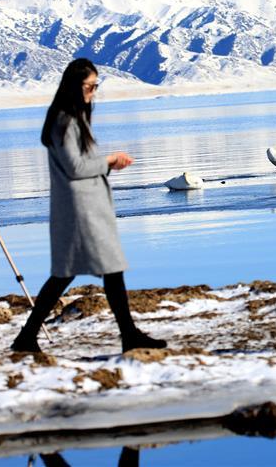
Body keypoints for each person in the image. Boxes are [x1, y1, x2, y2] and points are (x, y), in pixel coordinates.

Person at [11, 58, 166, 353]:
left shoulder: (68, 119)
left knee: (73, 272)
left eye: (96, 87)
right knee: (103, 269)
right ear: (74, 87)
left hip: (81, 207)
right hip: (82, 210)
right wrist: (109, 160)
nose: (93, 93)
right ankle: (128, 336)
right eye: (89, 87)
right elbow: (75, 166)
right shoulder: (65, 120)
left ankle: (28, 336)